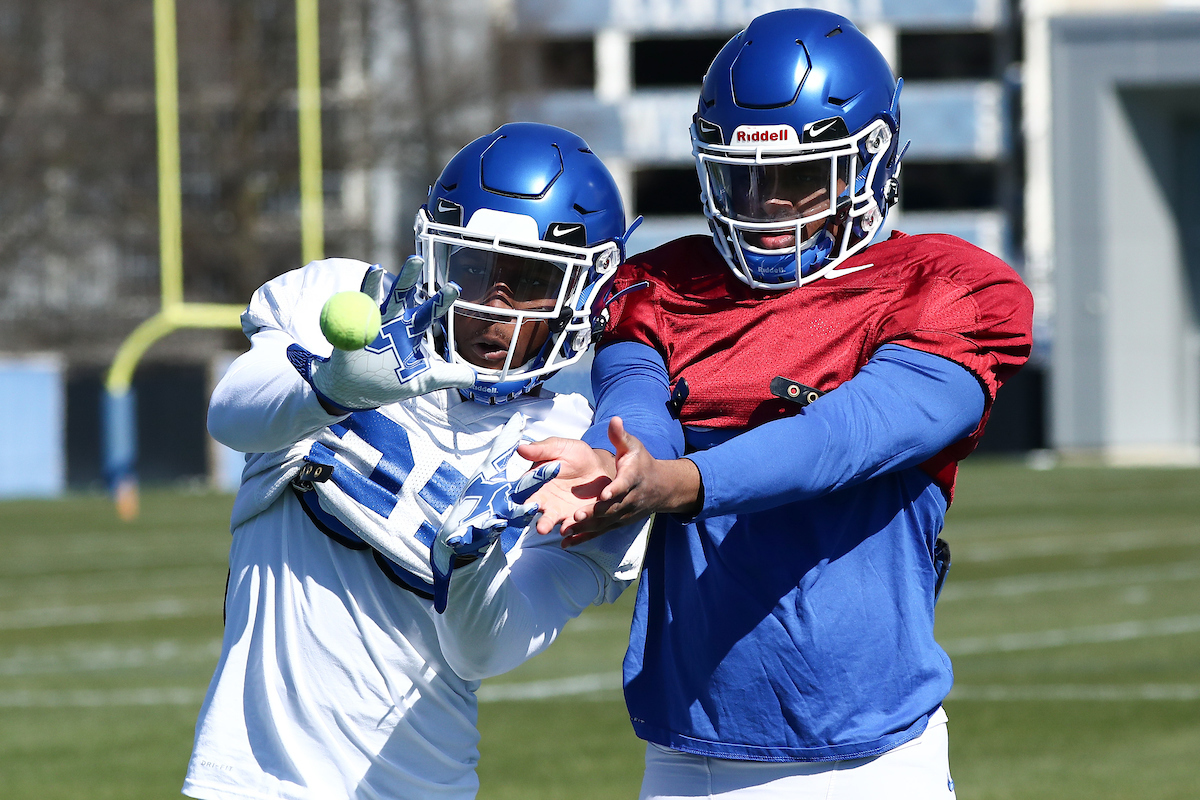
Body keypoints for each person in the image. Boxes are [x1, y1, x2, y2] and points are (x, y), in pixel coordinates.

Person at [519, 9, 1034, 799]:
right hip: (688, 753)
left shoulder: (946, 288)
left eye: (798, 178)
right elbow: (635, 401)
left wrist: (678, 483)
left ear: (873, 163)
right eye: (744, 178)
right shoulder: (664, 288)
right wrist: (618, 456)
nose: (766, 206)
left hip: (868, 757)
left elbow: (842, 437)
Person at [182, 122, 648, 800]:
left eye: (528, 281)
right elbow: (232, 412)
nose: (494, 305)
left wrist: (469, 566)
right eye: (473, 269)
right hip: (248, 777)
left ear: (584, 295)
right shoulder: (345, 308)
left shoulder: (572, 451)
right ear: (432, 253)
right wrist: (333, 385)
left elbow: (483, 649)